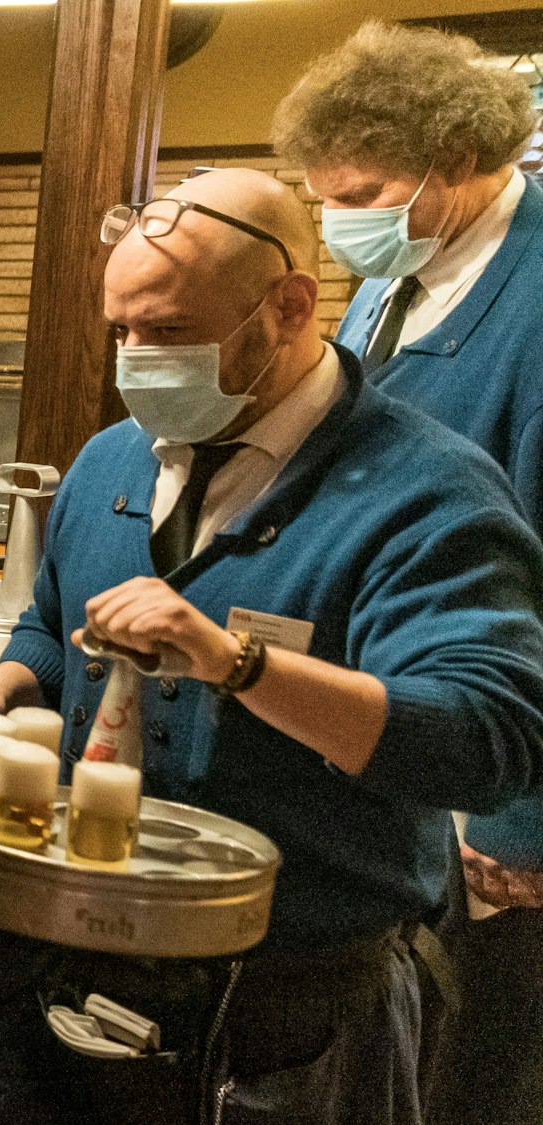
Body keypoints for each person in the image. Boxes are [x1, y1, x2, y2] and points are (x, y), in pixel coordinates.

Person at [0, 169, 543, 1125]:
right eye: (121, 330)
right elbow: (52, 624)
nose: (135, 359)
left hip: (297, 1010)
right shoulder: (111, 459)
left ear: (290, 307)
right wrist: (3, 687)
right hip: (77, 970)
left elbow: (488, 740)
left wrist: (236, 664)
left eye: (166, 332)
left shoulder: (426, 492)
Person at [273, 25, 543, 1125]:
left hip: (495, 772)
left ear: (461, 159)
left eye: (368, 190)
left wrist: (521, 825)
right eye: (322, 194)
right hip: (396, 746)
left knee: (483, 1069)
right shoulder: (396, 276)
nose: (343, 218)